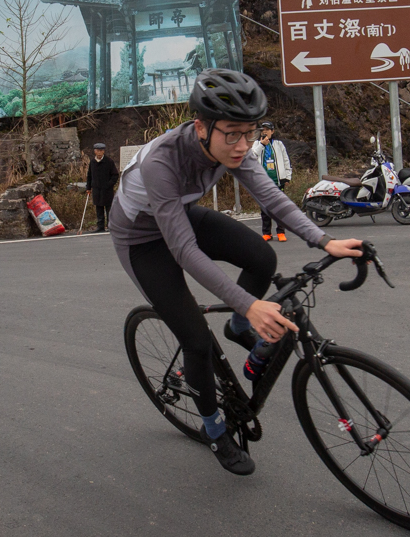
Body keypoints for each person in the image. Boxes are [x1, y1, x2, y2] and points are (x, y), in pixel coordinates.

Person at [109, 69, 364, 475]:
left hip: (179, 216)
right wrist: (249, 304)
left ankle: (237, 329)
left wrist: (323, 240)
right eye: (231, 133)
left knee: (262, 259)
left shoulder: (235, 148)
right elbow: (185, 252)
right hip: (141, 240)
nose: (242, 145)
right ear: (201, 128)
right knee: (194, 340)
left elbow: (271, 197)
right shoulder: (162, 162)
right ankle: (214, 429)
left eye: (249, 133)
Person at [249, 121, 292, 241]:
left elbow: (285, 160)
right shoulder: (256, 144)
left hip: (278, 181)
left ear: (272, 131)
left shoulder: (279, 144)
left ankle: (281, 232)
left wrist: (287, 176)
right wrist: (262, 145)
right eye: (263, 129)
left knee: (280, 207)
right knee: (265, 209)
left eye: (267, 129)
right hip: (262, 182)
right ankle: (267, 232)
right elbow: (251, 157)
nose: (265, 131)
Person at [85, 142, 119, 232]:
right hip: (96, 189)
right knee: (99, 208)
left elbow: (115, 175)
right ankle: (100, 226)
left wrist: (109, 184)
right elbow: (89, 175)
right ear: (94, 151)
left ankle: (110, 226)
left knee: (109, 208)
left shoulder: (109, 161)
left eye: (101, 150)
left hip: (107, 189)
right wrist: (88, 187)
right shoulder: (92, 162)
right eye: (97, 151)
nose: (99, 152)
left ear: (103, 151)